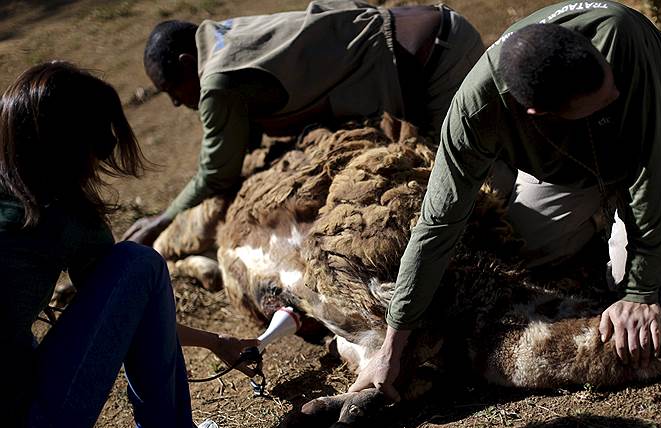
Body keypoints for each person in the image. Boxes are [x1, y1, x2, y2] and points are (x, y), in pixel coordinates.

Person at [348, 1, 661, 399]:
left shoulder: (617, 43)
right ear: (539, 113)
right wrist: (392, 347)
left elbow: (648, 169)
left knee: (649, 268)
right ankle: (605, 202)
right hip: (570, 159)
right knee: (530, 251)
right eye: (603, 96)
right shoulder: (474, 115)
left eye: (608, 80)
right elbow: (437, 228)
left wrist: (640, 293)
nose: (615, 90)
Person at [0, 62, 260, 428]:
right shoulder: (57, 211)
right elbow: (134, 304)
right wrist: (218, 340)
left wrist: (215, 340)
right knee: (137, 266)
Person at [123, 0, 485, 245]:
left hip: (434, 65)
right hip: (434, 29)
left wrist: (164, 219)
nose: (175, 102)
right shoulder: (226, 33)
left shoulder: (218, 80)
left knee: (467, 197)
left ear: (188, 62)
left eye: (173, 90)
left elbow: (217, 171)